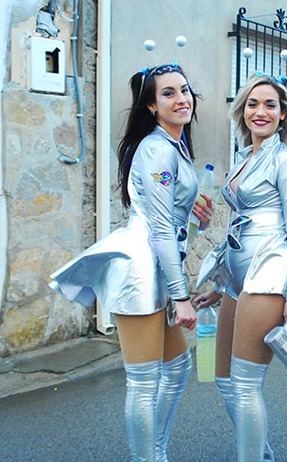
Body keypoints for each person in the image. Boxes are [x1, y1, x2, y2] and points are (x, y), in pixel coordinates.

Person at [50, 63, 212, 461]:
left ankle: (157, 454)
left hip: (158, 265)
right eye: (169, 93)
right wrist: (183, 296)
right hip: (140, 271)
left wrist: (195, 223)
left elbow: (171, 228)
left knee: (176, 371)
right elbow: (158, 230)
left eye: (184, 90)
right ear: (152, 106)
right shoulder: (156, 148)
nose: (181, 99)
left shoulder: (174, 145)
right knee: (144, 382)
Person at [194, 74, 287, 462]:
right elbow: (234, 227)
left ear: (282, 115)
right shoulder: (244, 157)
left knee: (246, 385)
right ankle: (263, 456)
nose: (260, 111)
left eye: (270, 105)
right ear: (242, 111)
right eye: (253, 104)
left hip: (270, 271)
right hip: (237, 278)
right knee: (223, 380)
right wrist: (220, 280)